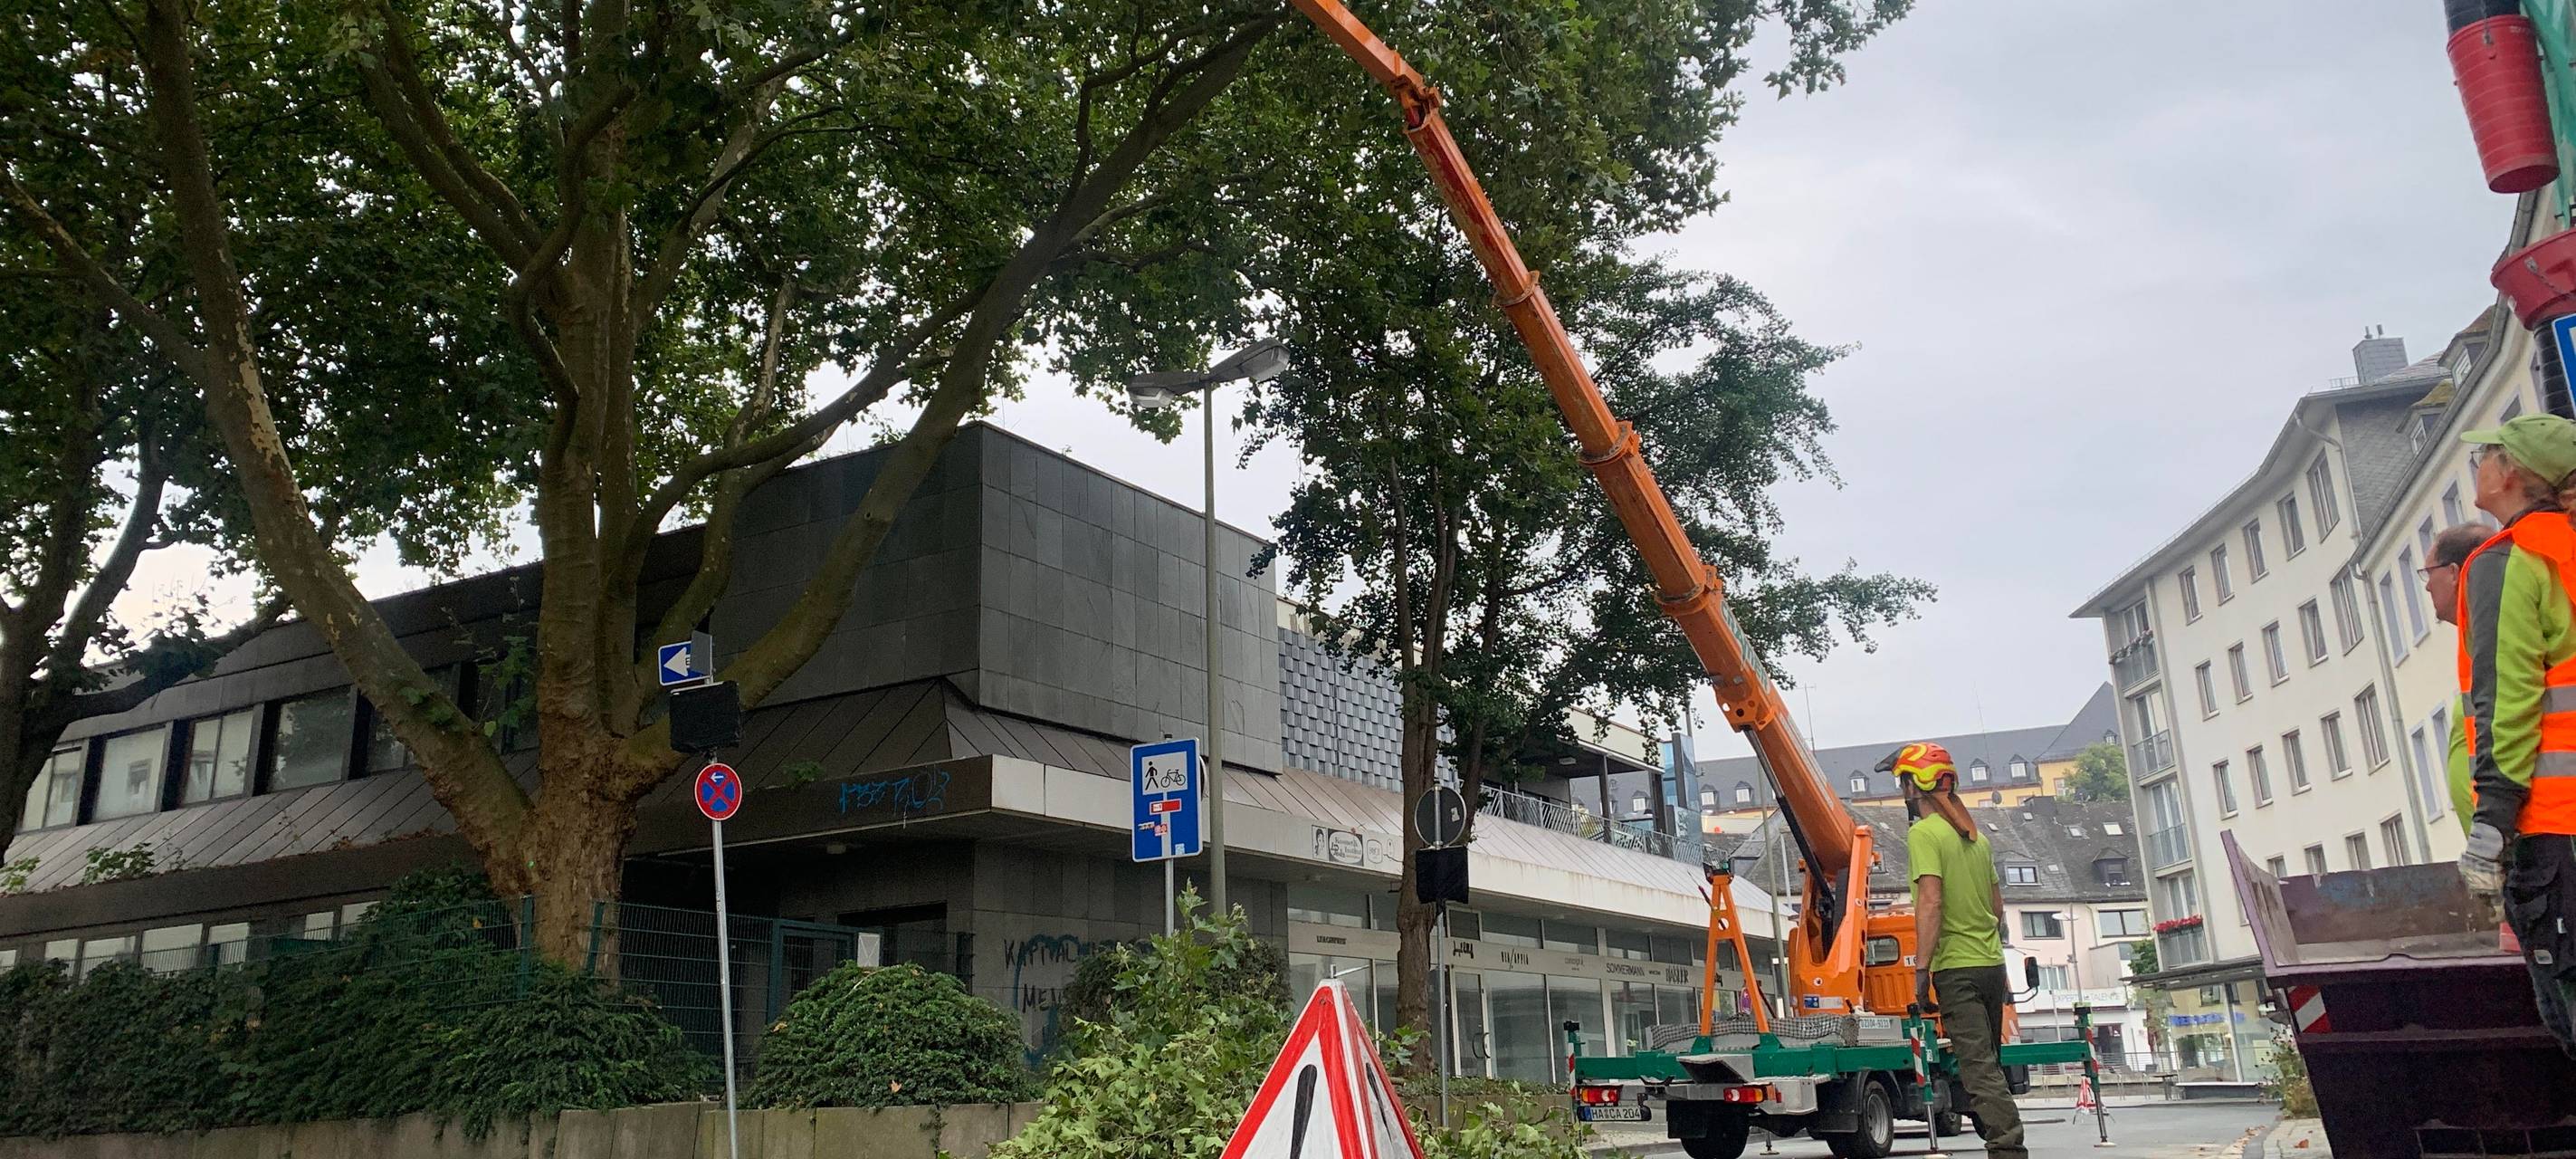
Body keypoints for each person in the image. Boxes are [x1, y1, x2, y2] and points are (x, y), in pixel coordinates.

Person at [2454, 415, 2576, 1058]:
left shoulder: (2507, 563)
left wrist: (2492, 824)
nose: (2478, 462)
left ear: (2515, 474)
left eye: (2487, 452)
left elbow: (2508, 697)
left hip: (2556, 835)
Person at [1882, 741, 2024, 1159]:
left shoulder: (1924, 834)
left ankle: (2008, 1150)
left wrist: (1921, 971)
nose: (1902, 791)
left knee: (1977, 1067)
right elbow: (1997, 908)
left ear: (1913, 787)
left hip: (1956, 968)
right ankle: (2005, 1142)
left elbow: (1930, 901)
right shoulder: (1976, 839)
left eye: (1903, 782)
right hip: (1991, 965)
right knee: (1989, 1066)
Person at [2427, 522, 2494, 832]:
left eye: (2429, 573)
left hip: (2521, 841)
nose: (2427, 586)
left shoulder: (2493, 635)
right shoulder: (2474, 640)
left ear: (2454, 573)